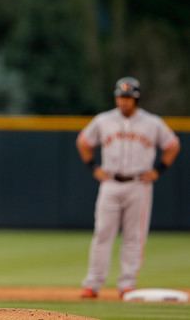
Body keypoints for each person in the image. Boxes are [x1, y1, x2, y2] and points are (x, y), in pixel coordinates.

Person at [77, 77, 180, 299]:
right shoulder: (103, 120)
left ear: (136, 99)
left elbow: (172, 145)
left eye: (128, 98)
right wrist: (93, 167)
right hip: (110, 182)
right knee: (102, 233)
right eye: (120, 97)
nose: (123, 101)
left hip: (139, 184)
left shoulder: (152, 123)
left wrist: (158, 170)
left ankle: (127, 284)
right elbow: (83, 142)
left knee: (135, 236)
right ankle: (92, 284)